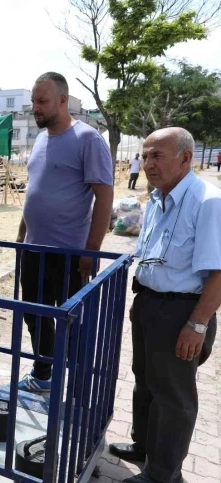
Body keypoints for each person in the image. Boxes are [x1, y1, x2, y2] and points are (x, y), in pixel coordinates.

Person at [108, 127, 220, 483]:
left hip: (182, 312)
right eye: (145, 155)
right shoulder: (157, 198)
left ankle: (162, 475)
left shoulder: (207, 201)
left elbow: (219, 272)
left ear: (185, 158)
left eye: (158, 155)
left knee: (173, 398)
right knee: (145, 381)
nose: (148, 163)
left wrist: (198, 324)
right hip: (149, 304)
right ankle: (144, 446)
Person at [16, 72, 114, 392]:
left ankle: (78, 385)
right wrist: (21, 236)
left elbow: (104, 196)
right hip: (34, 250)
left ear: (62, 100)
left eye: (42, 101)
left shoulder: (88, 139)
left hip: (69, 254)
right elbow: (35, 191)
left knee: (71, 321)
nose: (35, 108)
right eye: (33, 102)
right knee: (35, 314)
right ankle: (43, 374)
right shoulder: (41, 139)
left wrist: (91, 249)